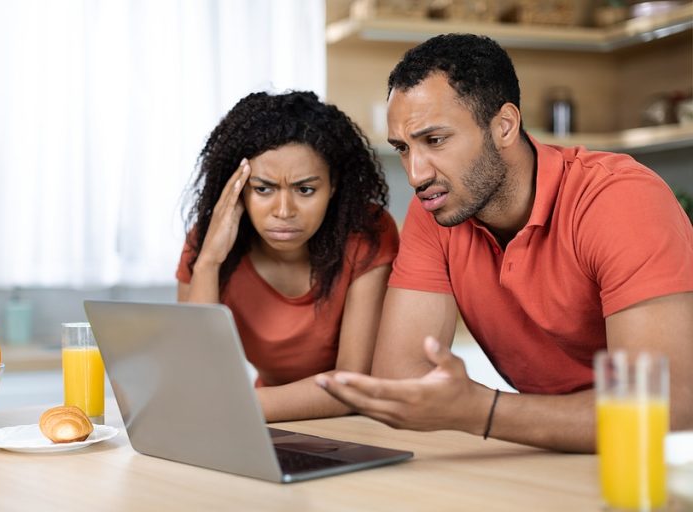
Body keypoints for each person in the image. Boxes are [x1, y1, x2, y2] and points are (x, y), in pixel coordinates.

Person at [316, 34, 693, 453]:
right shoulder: (437, 211)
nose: (416, 174)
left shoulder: (617, 199)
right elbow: (402, 378)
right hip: (558, 453)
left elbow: (667, 409)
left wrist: (481, 410)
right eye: (403, 148)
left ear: (504, 126)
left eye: (435, 140)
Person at [176, 90, 399, 422]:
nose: (284, 211)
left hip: (357, 423)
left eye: (305, 190)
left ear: (334, 185)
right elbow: (197, 375)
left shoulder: (367, 232)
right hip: (266, 419)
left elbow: (354, 382)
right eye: (263, 189)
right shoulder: (208, 243)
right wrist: (208, 262)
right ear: (237, 190)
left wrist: (233, 407)